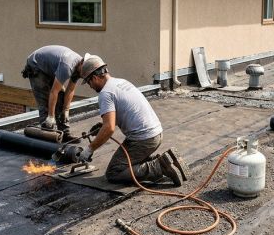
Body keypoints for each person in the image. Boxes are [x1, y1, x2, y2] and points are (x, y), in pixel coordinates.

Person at [76, 55, 189, 186]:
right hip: (156, 133)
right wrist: (102, 127)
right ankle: (166, 160)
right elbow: (122, 113)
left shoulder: (105, 93)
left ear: (94, 78)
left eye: (88, 82)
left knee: (114, 172)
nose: (90, 86)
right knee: (129, 162)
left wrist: (89, 149)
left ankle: (159, 167)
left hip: (144, 140)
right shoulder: (121, 82)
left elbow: (109, 128)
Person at [22, 45, 86, 142]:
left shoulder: (80, 69)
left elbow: (70, 90)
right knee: (45, 100)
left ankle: (64, 133)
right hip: (36, 65)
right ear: (82, 63)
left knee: (61, 97)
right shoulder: (68, 66)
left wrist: (66, 110)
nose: (82, 76)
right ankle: (48, 134)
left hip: (50, 68)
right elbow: (54, 92)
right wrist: (51, 116)